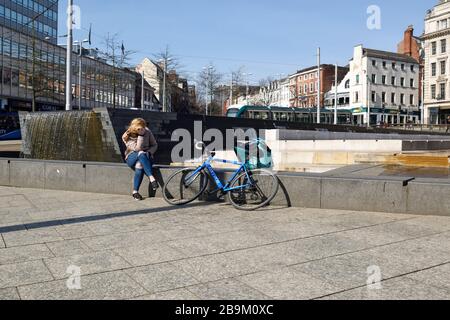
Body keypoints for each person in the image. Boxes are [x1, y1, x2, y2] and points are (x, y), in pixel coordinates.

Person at [122, 118, 159, 201]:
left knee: (139, 165)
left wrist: (149, 152)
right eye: (140, 127)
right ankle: (151, 178)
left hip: (146, 156)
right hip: (131, 157)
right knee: (140, 153)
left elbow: (154, 145)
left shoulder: (147, 131)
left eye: (143, 126)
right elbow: (137, 149)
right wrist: (141, 135)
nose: (142, 129)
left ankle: (135, 192)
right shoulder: (126, 136)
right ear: (134, 127)